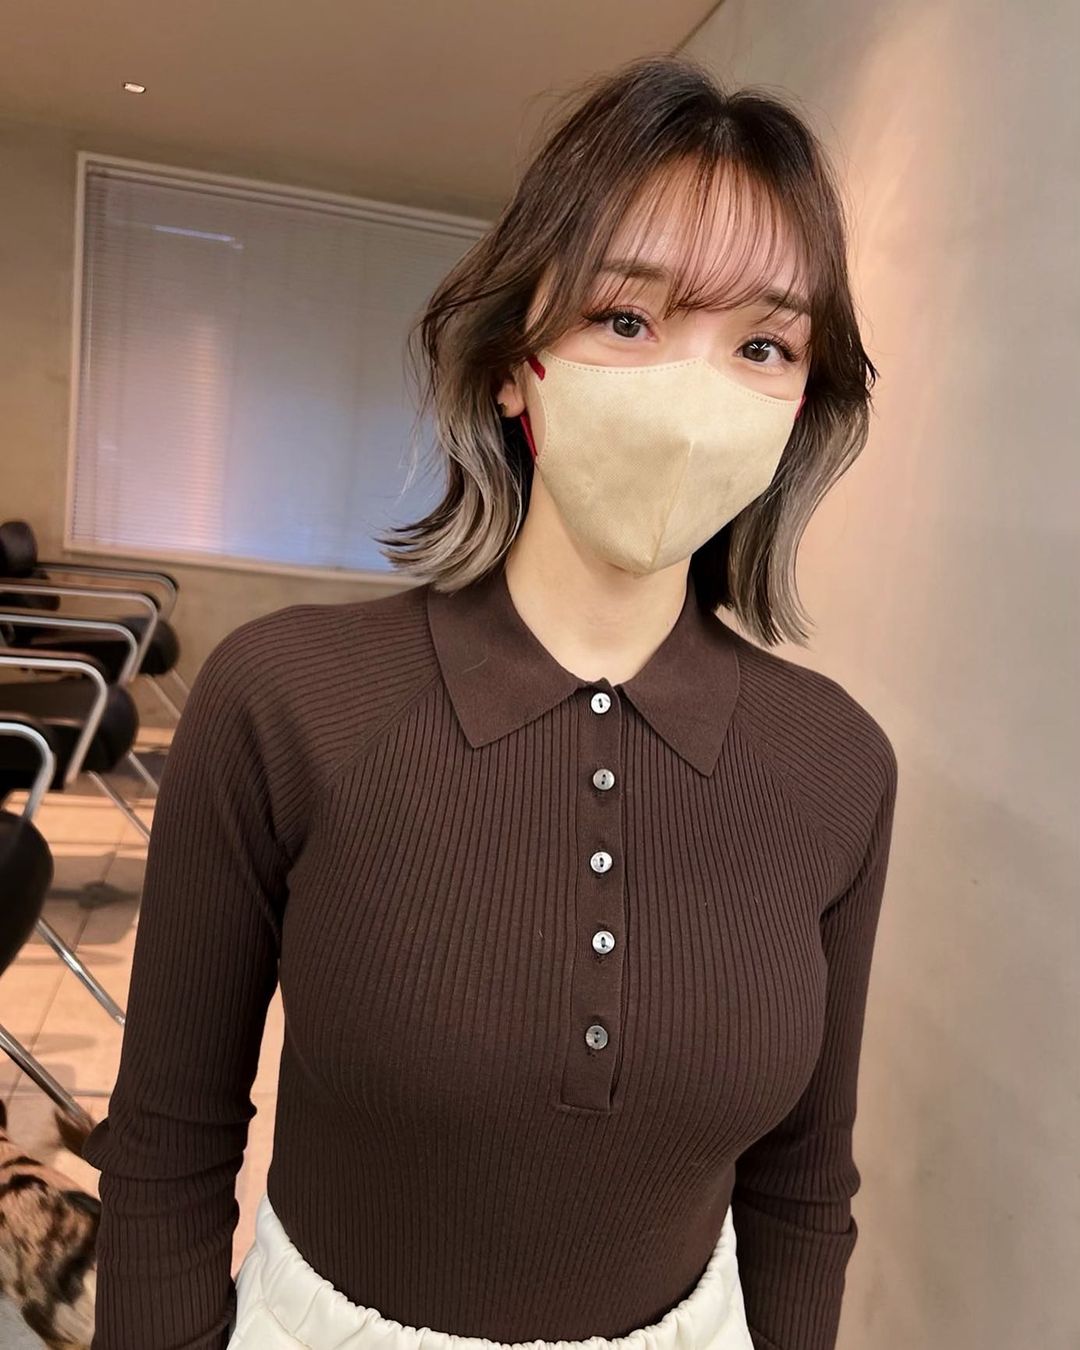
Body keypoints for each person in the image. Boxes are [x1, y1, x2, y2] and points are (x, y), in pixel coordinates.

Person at [83, 52, 899, 1350]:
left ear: (803, 404)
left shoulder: (838, 765)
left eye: (763, 344)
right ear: (517, 363)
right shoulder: (284, 700)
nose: (693, 398)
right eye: (626, 319)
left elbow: (802, 1191)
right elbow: (169, 1142)